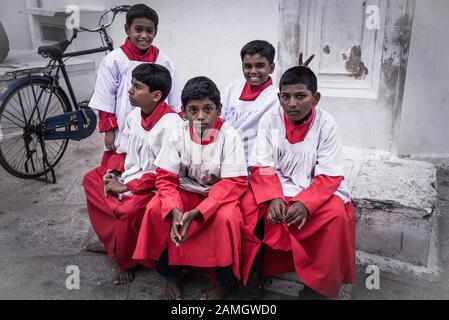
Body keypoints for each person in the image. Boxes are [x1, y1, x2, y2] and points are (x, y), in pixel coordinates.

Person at [240, 66, 356, 299]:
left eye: (300, 96)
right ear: (279, 97)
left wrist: (305, 203)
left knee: (335, 215)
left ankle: (317, 288)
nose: (292, 104)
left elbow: (329, 174)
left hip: (313, 187)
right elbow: (262, 164)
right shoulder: (270, 120)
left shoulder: (327, 124)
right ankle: (252, 274)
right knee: (246, 207)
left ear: (315, 98)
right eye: (286, 97)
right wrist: (273, 197)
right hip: (277, 185)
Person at [133, 76, 248, 300]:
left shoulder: (229, 136)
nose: (201, 117)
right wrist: (175, 209)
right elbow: (165, 178)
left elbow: (234, 182)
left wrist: (200, 211)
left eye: (208, 109)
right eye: (193, 110)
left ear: (219, 109)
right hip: (185, 191)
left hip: (219, 194)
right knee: (158, 210)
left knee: (227, 219)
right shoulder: (178, 134)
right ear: (183, 112)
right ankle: (171, 276)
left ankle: (225, 282)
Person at [82, 63, 182, 285]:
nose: (130, 90)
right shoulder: (134, 116)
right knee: (92, 180)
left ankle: (127, 261)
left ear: (156, 95)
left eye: (137, 87)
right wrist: (112, 171)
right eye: (132, 85)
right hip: (129, 173)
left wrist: (126, 186)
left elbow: (165, 172)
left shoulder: (172, 124)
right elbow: (123, 150)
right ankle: (112, 242)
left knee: (127, 210)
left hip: (153, 184)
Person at [89, 3, 182, 169]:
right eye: (138, 29)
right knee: (117, 165)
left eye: (149, 30)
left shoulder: (164, 61)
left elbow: (174, 98)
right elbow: (105, 96)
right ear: (127, 29)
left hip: (156, 126)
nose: (144, 35)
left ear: (156, 31)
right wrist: (109, 130)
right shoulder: (114, 60)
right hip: (123, 123)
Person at [220, 40, 278, 160]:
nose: (253, 71)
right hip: (224, 157)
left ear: (271, 68)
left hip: (254, 161)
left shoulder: (277, 97)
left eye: (259, 66)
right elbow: (220, 120)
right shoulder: (233, 87)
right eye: (247, 66)